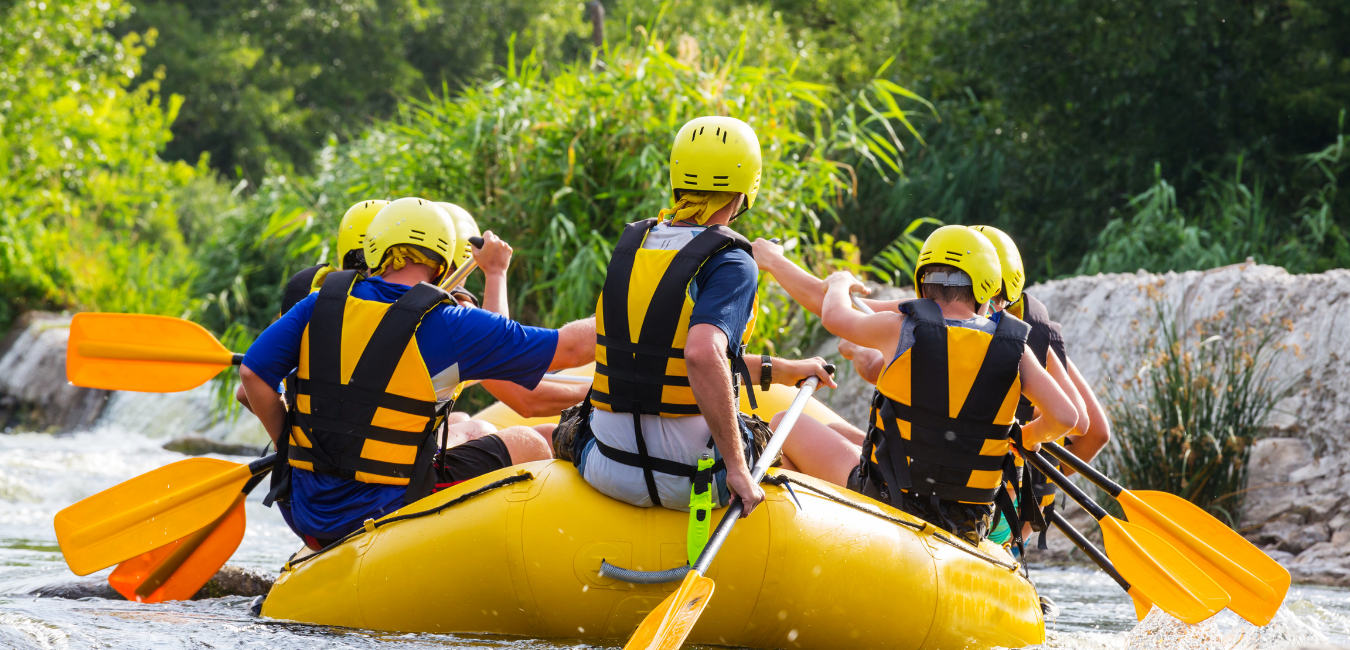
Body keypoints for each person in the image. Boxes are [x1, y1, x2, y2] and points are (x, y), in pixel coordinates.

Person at [240, 197, 596, 550]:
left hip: (303, 509)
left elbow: (252, 378)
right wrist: (634, 311)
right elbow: (569, 350)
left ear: (375, 249)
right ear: (443, 263)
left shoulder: (318, 303)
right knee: (533, 442)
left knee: (464, 423)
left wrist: (290, 447)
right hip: (384, 509)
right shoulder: (449, 322)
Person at [569, 115, 835, 518]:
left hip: (604, 465)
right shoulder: (731, 262)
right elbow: (701, 354)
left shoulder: (634, 246)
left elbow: (671, 360)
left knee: (564, 427)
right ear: (746, 188)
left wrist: (783, 370)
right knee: (784, 442)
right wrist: (737, 468)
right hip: (691, 479)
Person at [818, 225, 1078, 545]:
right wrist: (1027, 436)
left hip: (889, 498)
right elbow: (1067, 418)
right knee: (836, 430)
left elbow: (833, 316)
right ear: (986, 289)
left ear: (922, 284)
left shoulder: (900, 328)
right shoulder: (1015, 349)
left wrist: (840, 282)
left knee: (781, 424)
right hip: (969, 520)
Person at [969, 224, 1111, 548]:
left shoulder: (948, 318)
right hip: (1015, 510)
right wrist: (1035, 461)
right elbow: (1093, 431)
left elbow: (871, 366)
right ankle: (1016, 537)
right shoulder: (1034, 332)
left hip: (971, 499)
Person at [236, 199, 388, 413]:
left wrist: (287, 440)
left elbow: (246, 390)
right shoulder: (418, 309)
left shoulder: (309, 302)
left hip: (309, 440)